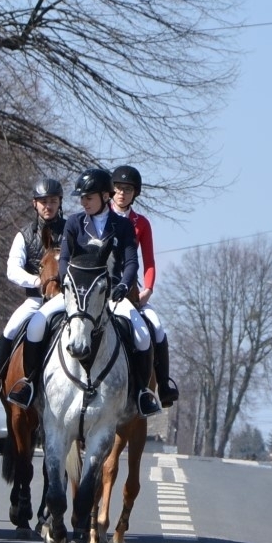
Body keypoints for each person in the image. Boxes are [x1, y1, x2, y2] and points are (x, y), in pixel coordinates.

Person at [7, 168, 159, 417]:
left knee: (142, 335)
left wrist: (123, 285)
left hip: (111, 294)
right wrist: (70, 287)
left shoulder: (122, 226)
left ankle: (142, 392)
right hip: (76, 295)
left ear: (104, 196)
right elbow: (64, 259)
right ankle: (29, 383)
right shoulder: (75, 223)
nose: (83, 202)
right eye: (82, 198)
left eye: (88, 197)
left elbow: (132, 262)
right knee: (35, 326)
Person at [0, 177, 66, 400]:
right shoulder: (24, 235)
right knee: (10, 331)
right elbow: (12, 269)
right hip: (36, 300)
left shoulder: (72, 231)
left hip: (67, 299)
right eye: (43, 202)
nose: (48, 206)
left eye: (52, 201)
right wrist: (37, 281)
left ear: (60, 202)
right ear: (34, 204)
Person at [107, 165, 179, 405]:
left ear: (134, 193)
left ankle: (157, 388)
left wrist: (148, 289)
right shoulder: (98, 215)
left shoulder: (141, 224)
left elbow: (148, 261)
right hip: (96, 286)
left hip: (128, 289)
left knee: (156, 328)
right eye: (118, 188)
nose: (121, 193)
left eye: (127, 190)